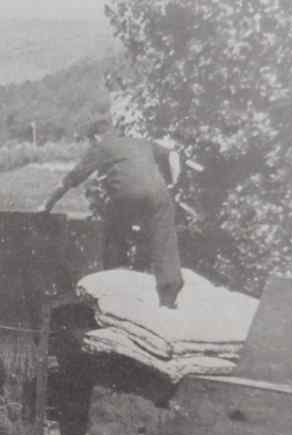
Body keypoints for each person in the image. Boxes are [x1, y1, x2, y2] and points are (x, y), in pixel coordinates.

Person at [40, 118, 184, 308]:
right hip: (159, 194)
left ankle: (115, 285)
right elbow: (173, 155)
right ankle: (168, 298)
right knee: (164, 238)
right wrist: (174, 182)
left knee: (114, 234)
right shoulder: (140, 142)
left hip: (127, 196)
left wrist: (47, 205)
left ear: (96, 137)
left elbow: (71, 179)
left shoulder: (101, 147)